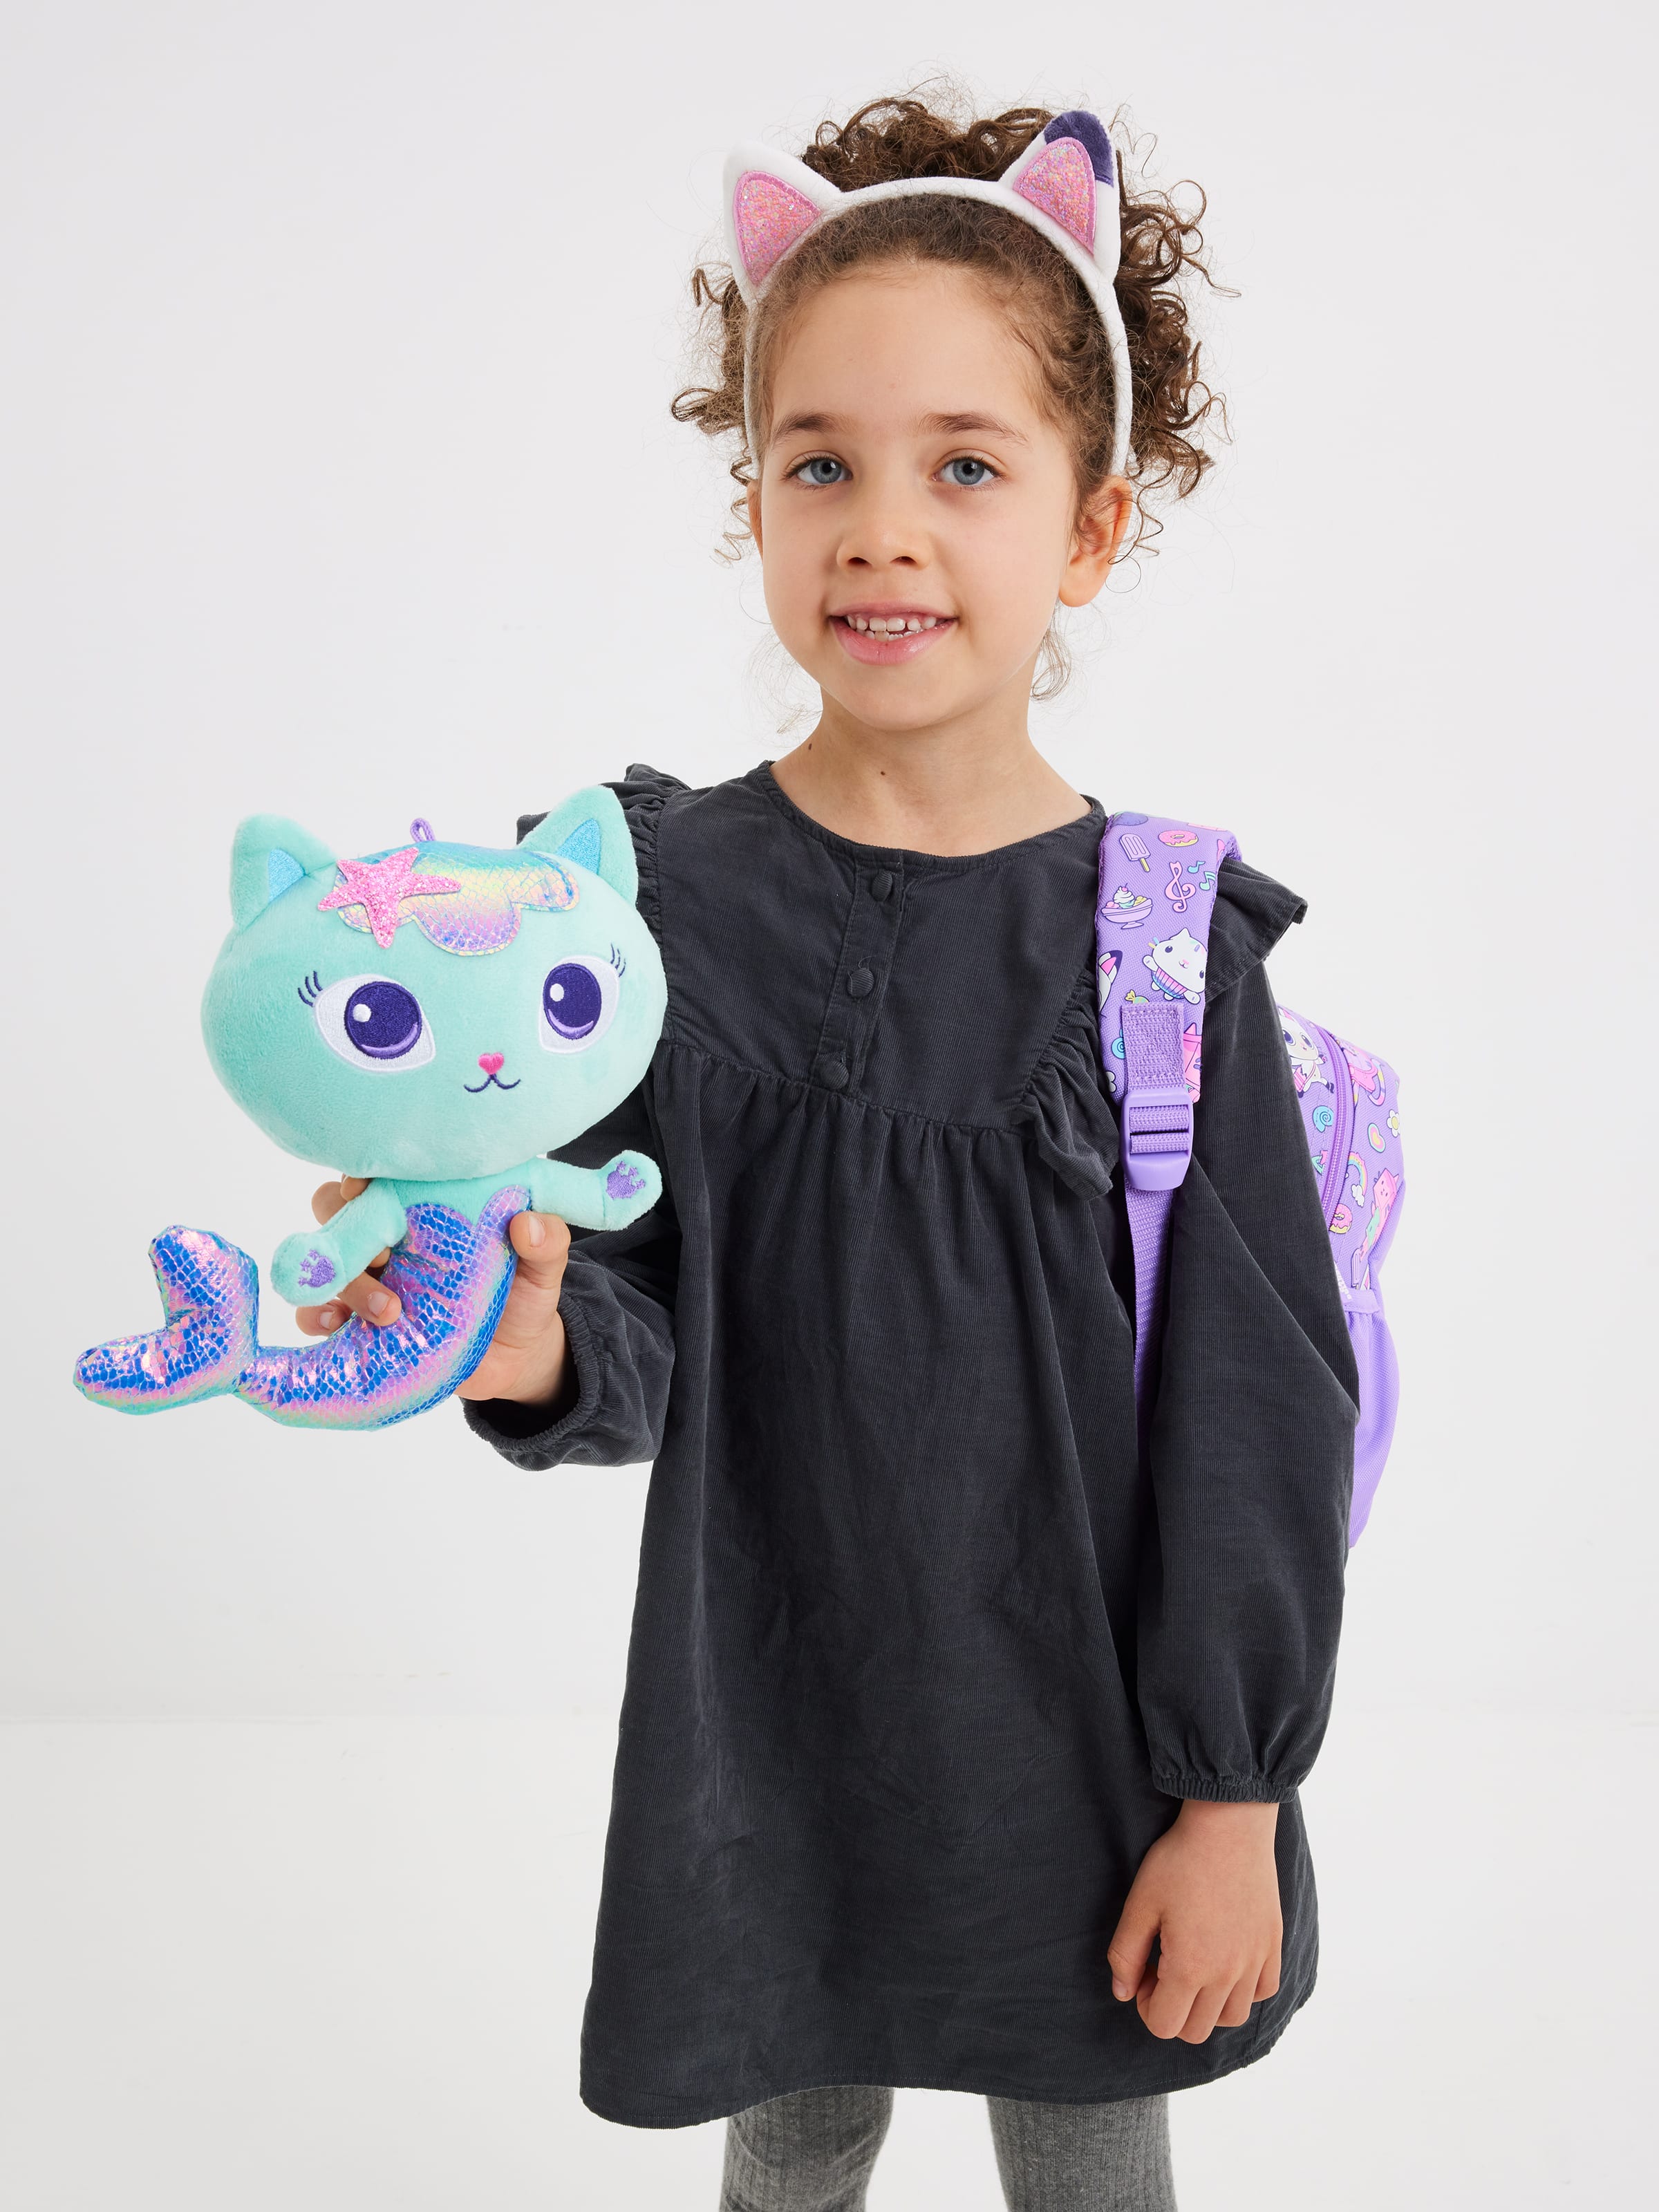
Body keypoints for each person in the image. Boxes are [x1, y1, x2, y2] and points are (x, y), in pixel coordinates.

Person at [299, 93, 1358, 2212]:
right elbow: (634, 1319)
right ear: (756, 503)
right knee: (791, 2140)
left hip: (1081, 1756)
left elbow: (1258, 1417)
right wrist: (511, 1325)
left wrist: (1233, 1799)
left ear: (1089, 530)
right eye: (820, 465)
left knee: (1086, 2154)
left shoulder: (1161, 947)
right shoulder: (649, 916)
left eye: (965, 465)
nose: (882, 528)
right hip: (769, 1741)